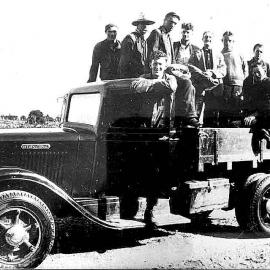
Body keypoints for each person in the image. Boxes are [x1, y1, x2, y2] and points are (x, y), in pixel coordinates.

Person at [130, 50, 199, 227]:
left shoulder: (170, 78)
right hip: (144, 131)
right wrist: (154, 83)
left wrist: (151, 85)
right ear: (150, 65)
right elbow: (136, 85)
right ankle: (132, 208)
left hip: (162, 132)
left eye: (160, 65)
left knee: (156, 174)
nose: (157, 67)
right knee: (138, 171)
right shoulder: (142, 77)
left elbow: (171, 86)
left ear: (165, 66)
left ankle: (150, 211)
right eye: (155, 64)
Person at [189, 31, 226, 125]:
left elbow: (223, 70)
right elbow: (191, 67)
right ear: (202, 39)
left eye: (210, 37)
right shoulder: (196, 53)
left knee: (211, 114)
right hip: (200, 86)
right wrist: (202, 75)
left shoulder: (219, 54)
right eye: (206, 37)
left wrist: (212, 73)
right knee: (196, 111)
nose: (208, 39)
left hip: (214, 87)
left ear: (212, 40)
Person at [220, 31, 248, 126]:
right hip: (225, 85)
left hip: (238, 85)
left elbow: (245, 69)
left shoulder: (239, 54)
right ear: (222, 41)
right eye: (225, 40)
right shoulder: (220, 54)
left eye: (230, 40)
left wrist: (243, 84)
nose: (227, 42)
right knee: (225, 109)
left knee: (237, 108)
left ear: (233, 42)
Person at [118, 13, 155, 78]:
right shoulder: (130, 39)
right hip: (131, 77)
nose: (145, 26)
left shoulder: (144, 40)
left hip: (142, 76)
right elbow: (123, 63)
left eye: (147, 24)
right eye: (142, 24)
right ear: (137, 25)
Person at [243, 65, 270, 151]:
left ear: (264, 71)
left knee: (258, 125)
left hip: (267, 114)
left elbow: (267, 105)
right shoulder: (256, 86)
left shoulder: (268, 82)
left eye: (258, 72)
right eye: (254, 73)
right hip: (261, 114)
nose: (256, 75)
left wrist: (254, 116)